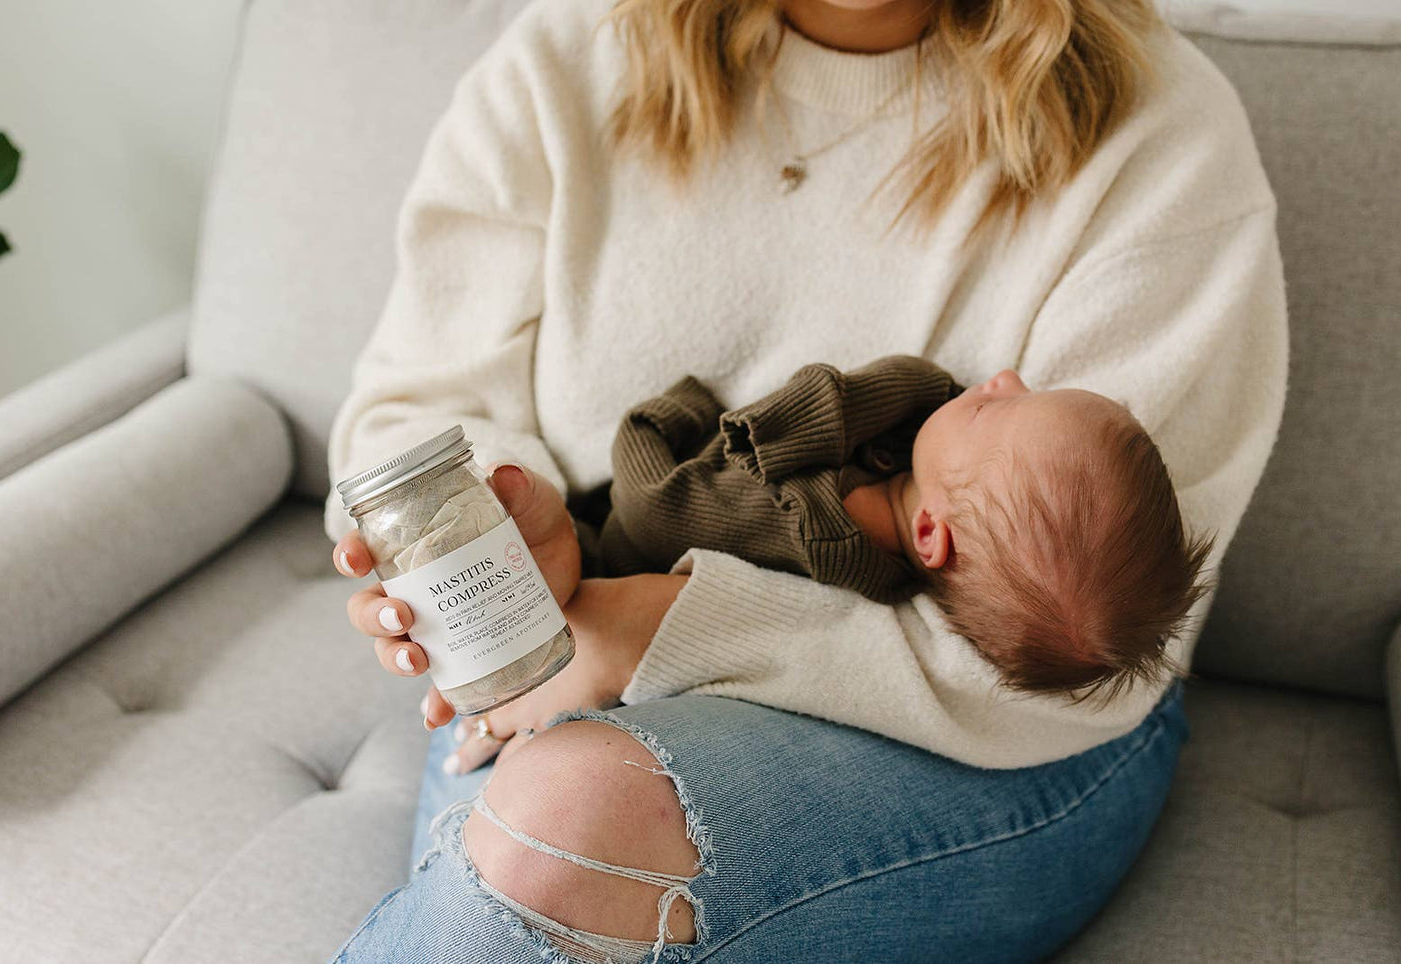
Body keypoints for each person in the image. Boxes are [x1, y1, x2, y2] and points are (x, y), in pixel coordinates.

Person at [323, 0, 1288, 958]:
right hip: (574, 646)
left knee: (563, 817)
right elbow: (415, 407)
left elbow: (1077, 640)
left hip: (982, 729)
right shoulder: (567, 57)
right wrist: (499, 534)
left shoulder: (1156, 135)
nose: (995, 389)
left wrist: (666, 625)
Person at [587, 355, 1215, 700]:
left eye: (997, 408)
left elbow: (652, 507)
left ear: (927, 534)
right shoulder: (932, 464)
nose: (1001, 379)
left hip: (602, 559)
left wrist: (668, 414)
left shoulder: (809, 529)